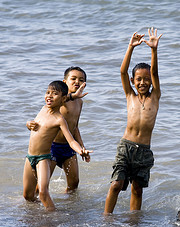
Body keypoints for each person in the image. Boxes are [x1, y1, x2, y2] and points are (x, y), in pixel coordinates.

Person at [104, 28, 162, 214]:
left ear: (151, 82)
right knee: (115, 185)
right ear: (132, 80)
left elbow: (155, 73)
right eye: (138, 79)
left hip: (143, 151)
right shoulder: (130, 95)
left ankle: (133, 223)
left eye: (146, 79)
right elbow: (122, 72)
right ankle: (107, 218)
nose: (143, 82)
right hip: (125, 147)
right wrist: (131, 47)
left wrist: (153, 50)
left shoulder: (155, 97)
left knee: (137, 189)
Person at [23, 80, 92, 211]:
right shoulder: (43, 109)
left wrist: (81, 150)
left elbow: (71, 141)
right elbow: (34, 125)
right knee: (27, 196)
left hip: (43, 159)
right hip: (29, 158)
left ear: (63, 99)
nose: (49, 96)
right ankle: (36, 215)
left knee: (43, 192)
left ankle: (54, 219)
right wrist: (28, 123)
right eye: (47, 92)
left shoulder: (59, 119)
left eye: (54, 94)